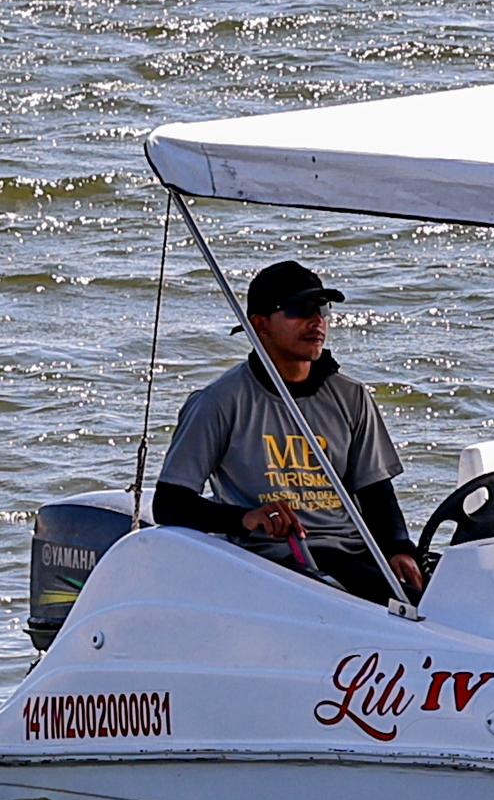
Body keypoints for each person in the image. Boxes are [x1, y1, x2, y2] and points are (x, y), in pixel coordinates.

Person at [152, 258, 423, 607]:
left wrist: (399, 548)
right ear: (260, 324)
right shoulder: (218, 402)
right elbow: (170, 504)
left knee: (452, 594)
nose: (317, 322)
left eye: (322, 309)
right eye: (300, 309)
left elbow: (376, 491)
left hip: (357, 550)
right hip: (282, 560)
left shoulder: (351, 396)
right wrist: (246, 517)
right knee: (414, 607)